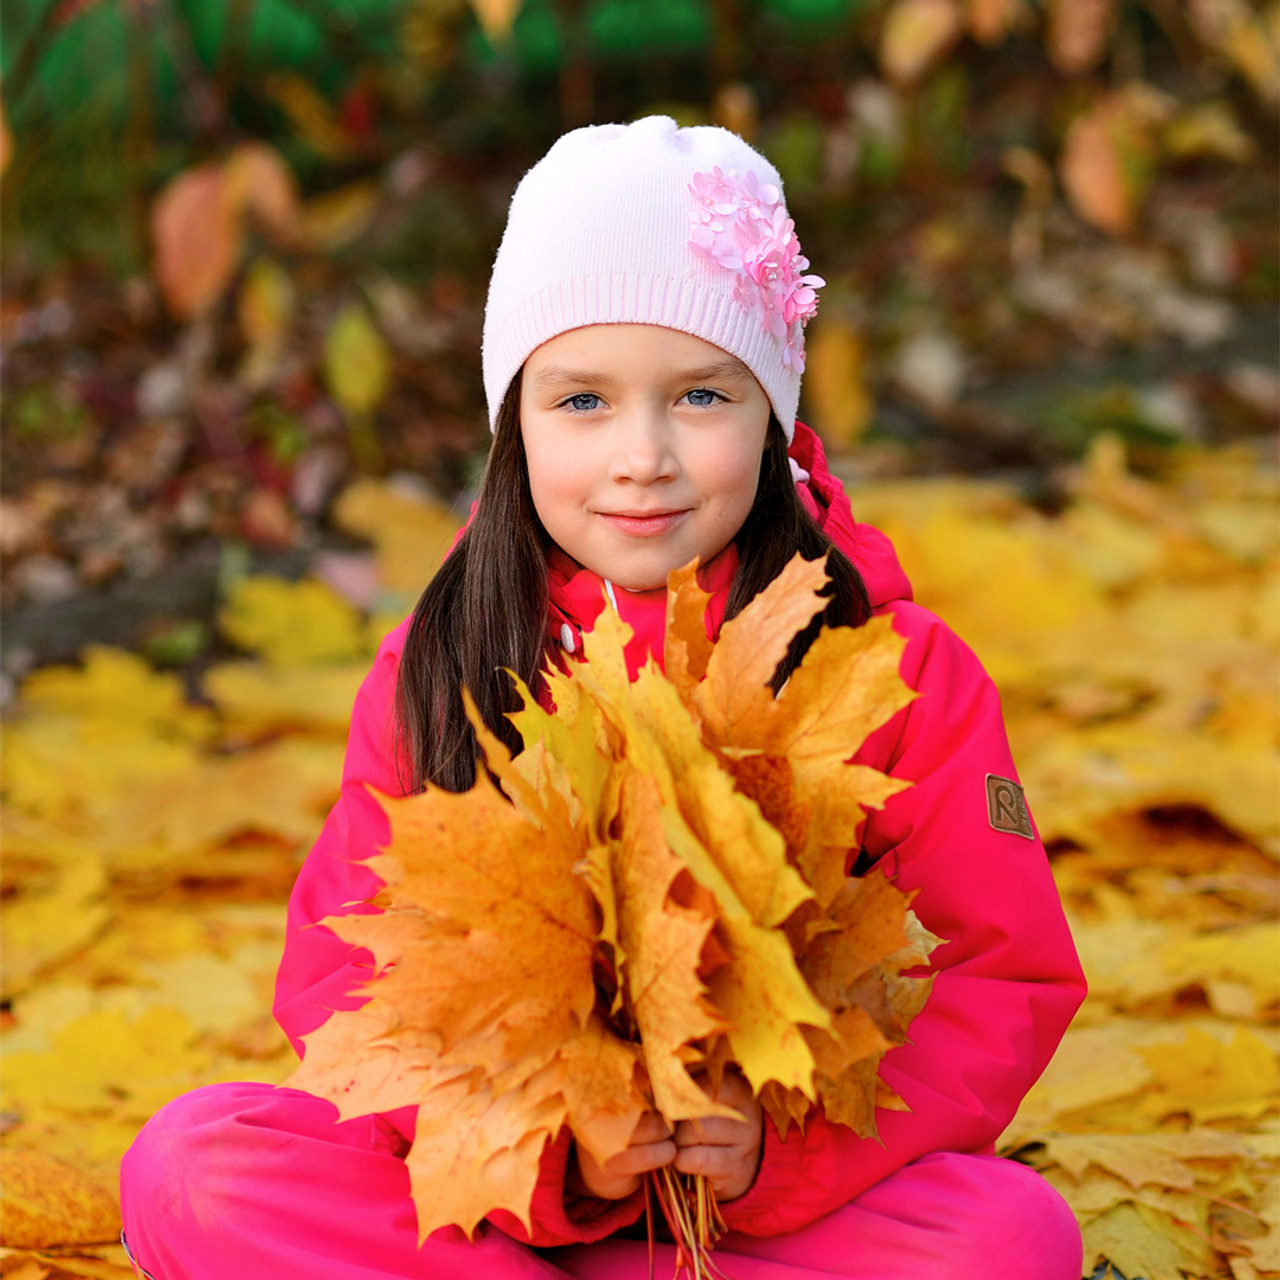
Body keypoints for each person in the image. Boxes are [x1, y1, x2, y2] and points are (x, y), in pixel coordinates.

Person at [120, 115, 1087, 1280]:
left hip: (771, 1218)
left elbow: (1002, 972)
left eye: (700, 396)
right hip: (504, 1217)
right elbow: (346, 981)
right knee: (195, 1165)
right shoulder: (443, 662)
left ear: (774, 413)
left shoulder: (890, 667)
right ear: (513, 424)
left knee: (1009, 1236)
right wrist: (548, 1149)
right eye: (581, 401)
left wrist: (782, 1142)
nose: (642, 455)